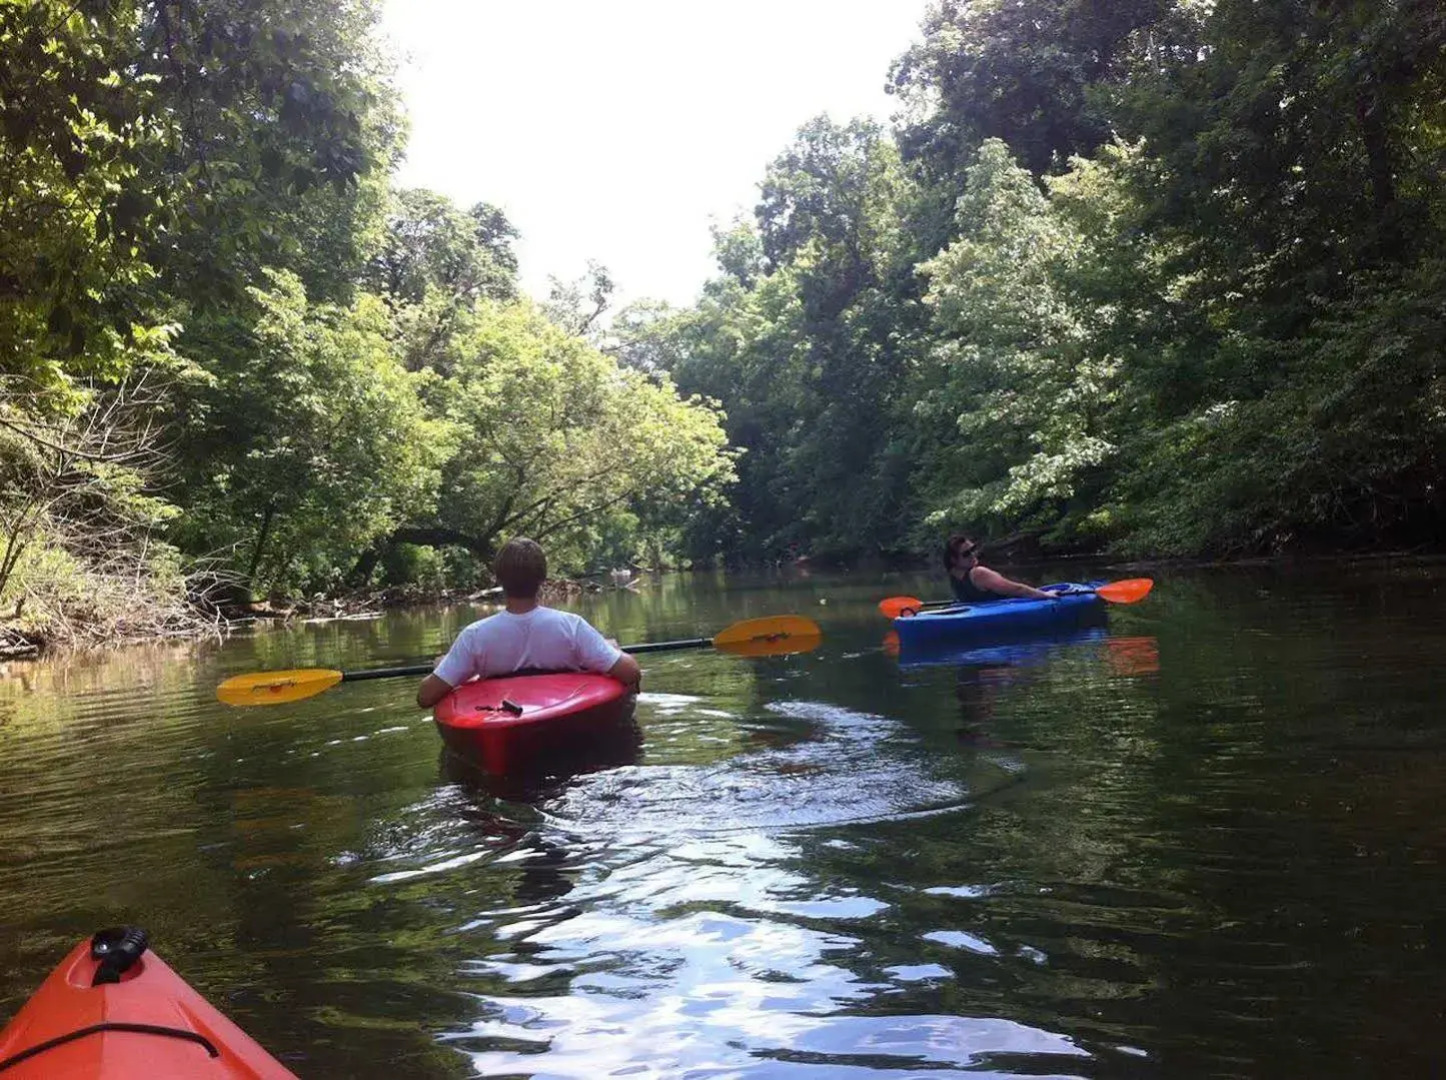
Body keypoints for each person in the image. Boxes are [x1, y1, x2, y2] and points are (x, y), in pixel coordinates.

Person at [416, 537, 643, 709]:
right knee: (611, 649)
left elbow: (425, 697)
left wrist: (442, 667)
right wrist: (612, 650)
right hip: (563, 713)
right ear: (543, 578)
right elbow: (631, 673)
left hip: (500, 715)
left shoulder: (474, 635)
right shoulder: (572, 626)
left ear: (498, 579)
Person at [943, 534, 1058, 603]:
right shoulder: (978, 573)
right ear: (954, 560)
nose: (973, 554)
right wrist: (1045, 595)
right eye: (966, 553)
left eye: (973, 549)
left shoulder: (953, 575)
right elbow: (1016, 589)